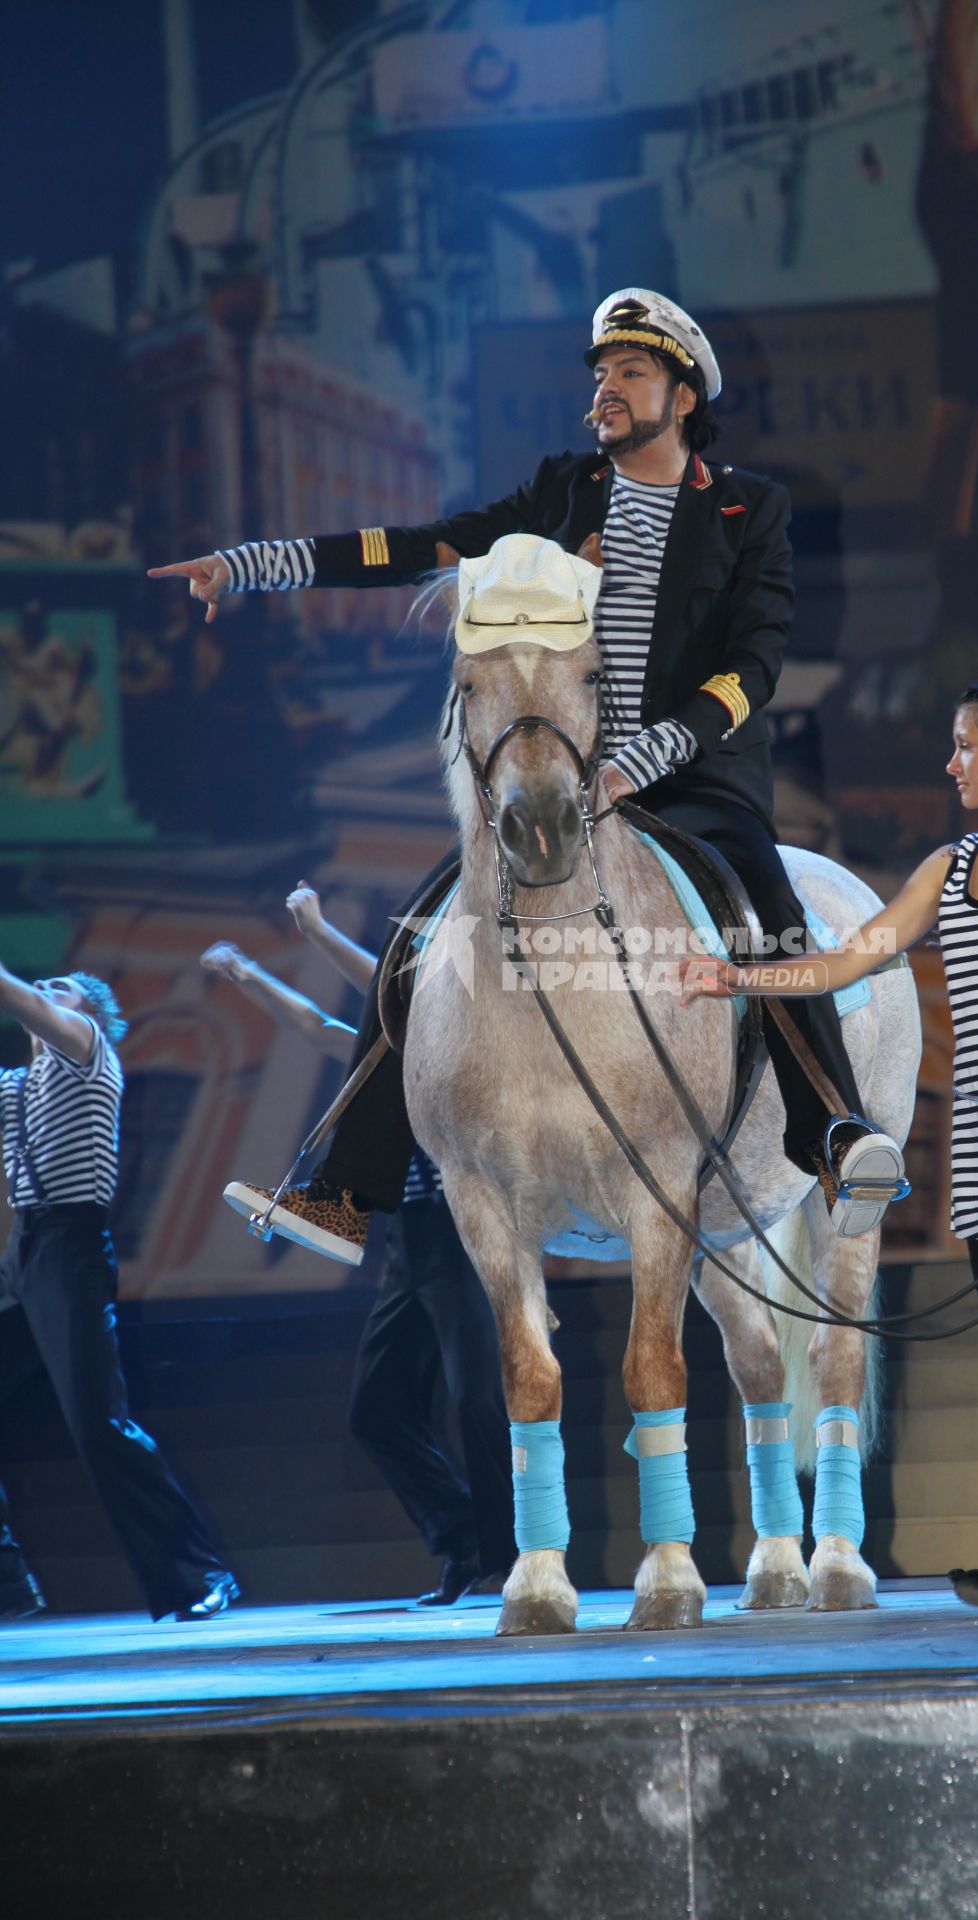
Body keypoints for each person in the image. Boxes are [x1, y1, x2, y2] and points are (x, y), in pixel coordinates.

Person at [150, 287, 903, 1265]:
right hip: (559, 783)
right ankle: (340, 1191)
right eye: (600, 374)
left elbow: (749, 669)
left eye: (629, 373)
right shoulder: (563, 491)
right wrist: (258, 564)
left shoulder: (747, 508)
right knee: (420, 942)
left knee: (765, 910)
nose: (606, 389)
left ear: (680, 394)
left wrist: (644, 759)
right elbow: (420, 546)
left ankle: (835, 1136)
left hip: (689, 782)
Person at [683, 671, 978, 1613]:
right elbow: (849, 956)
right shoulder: (951, 866)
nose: (953, 763)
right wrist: (737, 977)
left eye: (966, 745)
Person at [201, 885, 515, 1604]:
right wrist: (249, 974)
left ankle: (506, 1555)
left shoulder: (460, 1044)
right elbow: (316, 1024)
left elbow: (386, 986)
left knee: (478, 1401)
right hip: (408, 1249)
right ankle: (462, 1540)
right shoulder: (386, 1062)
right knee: (375, 1410)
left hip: (468, 1239)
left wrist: (313, 930)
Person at [0, 963, 237, 1621]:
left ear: (87, 1014)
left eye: (60, 988)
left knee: (100, 1426)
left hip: (71, 1250)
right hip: (24, 1253)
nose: (46, 992)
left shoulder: (84, 1047)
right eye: (42, 988)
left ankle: (199, 1576)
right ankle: (8, 1582)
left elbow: (17, 994)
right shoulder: (17, 1085)